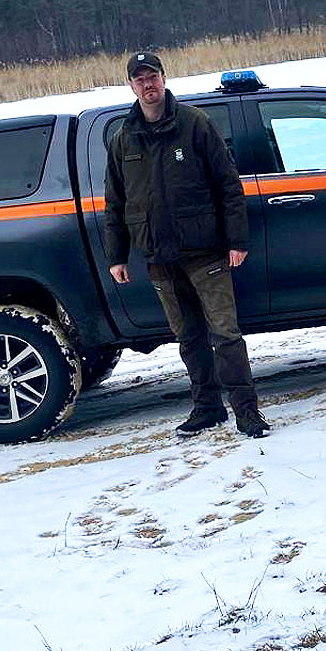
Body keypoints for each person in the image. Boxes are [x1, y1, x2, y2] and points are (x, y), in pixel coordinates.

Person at [103, 52, 271, 438]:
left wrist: (236, 239)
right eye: (140, 79)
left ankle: (246, 412)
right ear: (131, 85)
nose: (148, 85)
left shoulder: (194, 124)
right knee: (188, 337)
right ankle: (207, 408)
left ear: (164, 78)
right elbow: (116, 202)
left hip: (205, 253)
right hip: (159, 258)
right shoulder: (122, 139)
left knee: (225, 334)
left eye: (153, 76)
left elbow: (228, 185)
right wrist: (117, 256)